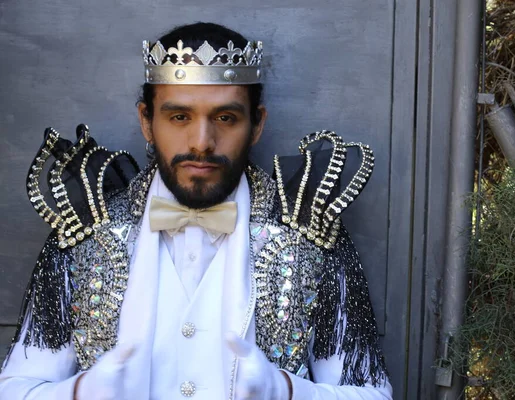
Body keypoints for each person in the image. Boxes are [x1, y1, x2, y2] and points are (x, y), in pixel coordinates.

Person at [0, 22, 392, 399]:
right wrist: (80, 393)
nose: (202, 141)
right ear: (146, 121)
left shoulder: (311, 236)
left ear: (256, 125)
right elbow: (15, 389)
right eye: (179, 117)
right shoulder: (85, 235)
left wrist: (288, 392)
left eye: (225, 117)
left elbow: (371, 394)